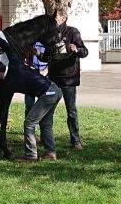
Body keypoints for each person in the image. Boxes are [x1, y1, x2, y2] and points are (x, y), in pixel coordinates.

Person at [0, 35, 62, 162]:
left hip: (47, 94)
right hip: (55, 90)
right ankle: (50, 153)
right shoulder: (15, 63)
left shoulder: (9, 82)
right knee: (46, 124)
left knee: (29, 123)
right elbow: (8, 49)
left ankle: (30, 155)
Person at [34, 9, 88, 149]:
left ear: (63, 18)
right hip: (53, 78)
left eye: (56, 16)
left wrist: (77, 49)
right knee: (47, 109)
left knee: (71, 110)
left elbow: (85, 51)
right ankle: (46, 139)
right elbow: (46, 57)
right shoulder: (51, 34)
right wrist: (38, 54)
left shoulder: (72, 32)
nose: (53, 18)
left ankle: (75, 140)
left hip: (69, 78)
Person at [24, 42, 49, 116]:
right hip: (32, 74)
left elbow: (54, 59)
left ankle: (44, 126)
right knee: (29, 104)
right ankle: (29, 126)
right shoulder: (31, 40)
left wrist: (46, 71)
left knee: (45, 105)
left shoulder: (48, 40)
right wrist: (27, 66)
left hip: (45, 75)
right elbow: (24, 56)